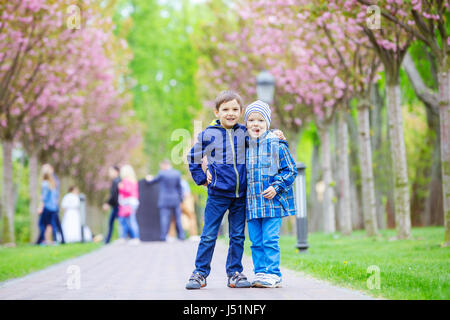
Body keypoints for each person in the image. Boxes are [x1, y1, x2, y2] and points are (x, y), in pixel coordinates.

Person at [185, 90, 251, 289]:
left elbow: (263, 141)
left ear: (240, 111)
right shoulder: (209, 135)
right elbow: (193, 158)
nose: (230, 113)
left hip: (241, 195)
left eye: (235, 109)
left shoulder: (245, 133)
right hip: (218, 194)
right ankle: (200, 273)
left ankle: (235, 273)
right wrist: (202, 179)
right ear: (216, 112)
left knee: (238, 235)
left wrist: (277, 135)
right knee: (208, 234)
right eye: (225, 109)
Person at [244, 100, 297, 288]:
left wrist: (276, 186)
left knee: (270, 240)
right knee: (256, 242)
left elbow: (290, 170)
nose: (255, 124)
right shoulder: (244, 147)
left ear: (267, 123)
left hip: (272, 204)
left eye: (260, 120)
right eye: (251, 120)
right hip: (251, 205)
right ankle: (260, 272)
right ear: (246, 124)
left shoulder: (277, 145)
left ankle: (274, 274)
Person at [147, 159, 185, 241]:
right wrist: (181, 198)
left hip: (164, 199)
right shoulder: (177, 173)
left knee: (164, 218)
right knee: (177, 218)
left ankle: (163, 236)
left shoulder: (162, 173)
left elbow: (153, 181)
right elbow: (180, 187)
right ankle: (181, 236)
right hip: (175, 198)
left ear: (164, 165)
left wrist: (149, 179)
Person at [36, 165, 60, 245]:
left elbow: (44, 198)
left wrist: (40, 207)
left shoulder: (45, 184)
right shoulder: (53, 184)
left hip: (47, 207)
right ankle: (52, 240)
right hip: (54, 208)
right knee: (51, 224)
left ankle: (44, 240)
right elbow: (56, 196)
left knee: (41, 224)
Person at [118, 164, 140, 245]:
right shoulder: (134, 181)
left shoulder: (125, 181)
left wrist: (121, 188)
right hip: (134, 202)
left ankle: (134, 238)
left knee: (130, 221)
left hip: (128, 203)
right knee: (131, 220)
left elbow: (127, 191)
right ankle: (133, 237)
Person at [103, 166, 121, 244]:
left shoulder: (116, 181)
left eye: (111, 171)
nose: (110, 173)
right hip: (116, 205)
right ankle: (108, 239)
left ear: (116, 171)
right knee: (118, 222)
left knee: (115, 222)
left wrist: (107, 203)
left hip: (117, 206)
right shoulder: (117, 181)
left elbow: (114, 195)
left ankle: (108, 240)